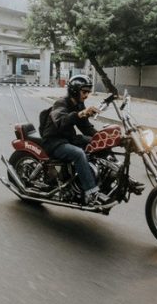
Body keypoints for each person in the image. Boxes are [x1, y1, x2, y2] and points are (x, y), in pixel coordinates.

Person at [40, 74, 109, 206]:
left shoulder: (79, 104)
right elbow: (61, 122)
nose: (86, 95)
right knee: (78, 154)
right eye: (84, 92)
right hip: (54, 141)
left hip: (68, 139)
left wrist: (102, 137)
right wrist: (81, 113)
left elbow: (85, 127)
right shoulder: (60, 103)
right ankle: (91, 192)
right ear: (75, 90)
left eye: (88, 92)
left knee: (96, 144)